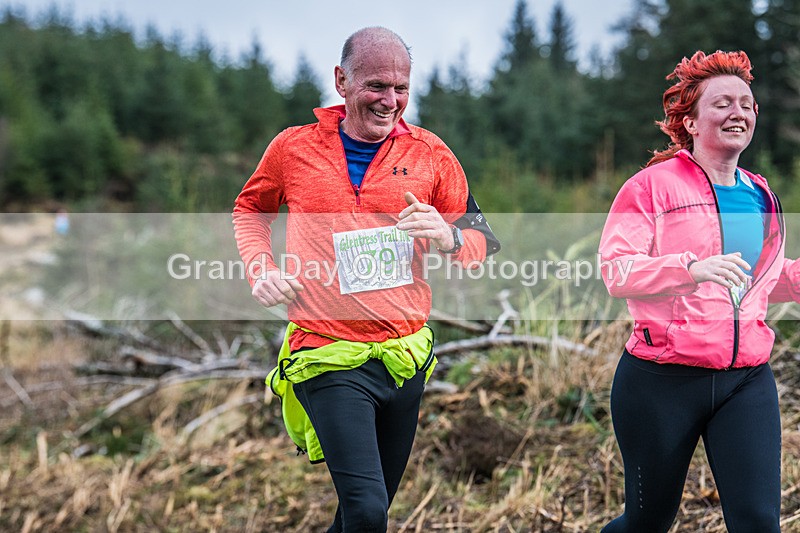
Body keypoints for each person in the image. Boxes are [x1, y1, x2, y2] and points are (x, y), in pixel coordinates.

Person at [233, 27, 499, 532]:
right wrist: (261, 268)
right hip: (326, 352)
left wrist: (447, 236)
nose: (390, 100)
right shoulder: (293, 148)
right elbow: (250, 209)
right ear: (342, 81)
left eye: (401, 88)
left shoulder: (431, 155)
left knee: (362, 515)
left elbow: (480, 244)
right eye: (376, 85)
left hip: (404, 358)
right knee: (367, 509)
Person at [599, 50, 800, 532]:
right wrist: (690, 269)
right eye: (723, 103)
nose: (739, 113)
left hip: (746, 379)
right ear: (689, 122)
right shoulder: (651, 187)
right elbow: (617, 270)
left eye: (747, 104)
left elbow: (759, 281)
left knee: (758, 523)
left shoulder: (760, 195)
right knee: (647, 522)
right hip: (661, 381)